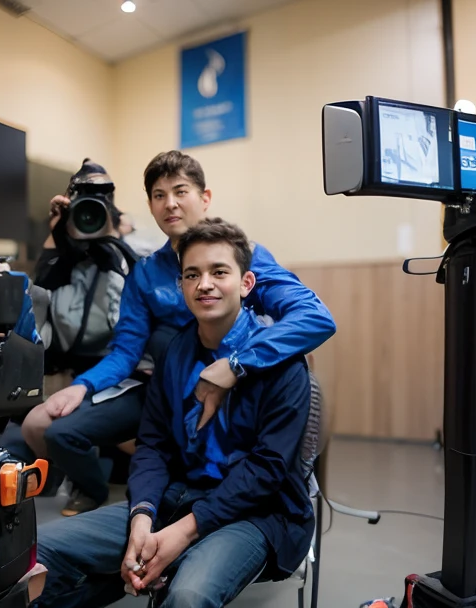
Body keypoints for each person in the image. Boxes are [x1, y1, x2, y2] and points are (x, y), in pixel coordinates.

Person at [30, 218, 317, 608]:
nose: (205, 283)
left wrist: (182, 532)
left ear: (246, 283)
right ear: (180, 286)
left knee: (186, 599)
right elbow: (155, 447)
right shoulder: (177, 353)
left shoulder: (281, 360)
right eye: (192, 274)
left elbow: (267, 471)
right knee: (35, 555)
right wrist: (142, 519)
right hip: (175, 500)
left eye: (219, 272)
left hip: (258, 515)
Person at [23, 149, 336, 519]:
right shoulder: (146, 273)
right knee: (41, 424)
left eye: (181, 191)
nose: (170, 204)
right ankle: (101, 495)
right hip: (167, 389)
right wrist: (83, 386)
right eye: (159, 195)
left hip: (239, 386)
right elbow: (126, 351)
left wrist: (235, 365)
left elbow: (315, 317)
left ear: (205, 198)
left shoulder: (242, 256)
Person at [0, 159, 139, 493]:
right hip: (59, 378)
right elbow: (34, 337)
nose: (87, 220)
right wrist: (55, 238)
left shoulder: (125, 262)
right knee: (39, 432)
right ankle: (71, 478)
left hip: (110, 378)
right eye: (82, 211)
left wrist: (113, 244)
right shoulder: (57, 265)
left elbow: (129, 335)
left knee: (132, 446)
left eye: (96, 211)